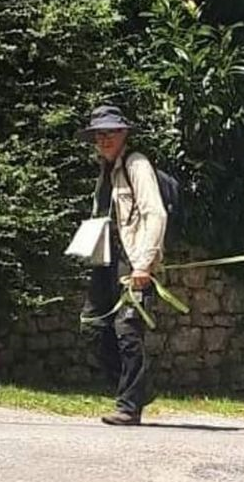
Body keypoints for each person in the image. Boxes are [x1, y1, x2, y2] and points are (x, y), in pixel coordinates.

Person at [76, 105, 167, 425]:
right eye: (99, 134)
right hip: (104, 263)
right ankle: (140, 387)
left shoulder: (136, 164)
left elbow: (155, 213)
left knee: (127, 330)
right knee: (93, 326)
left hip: (131, 261)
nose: (104, 139)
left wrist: (143, 265)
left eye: (110, 132)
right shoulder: (104, 169)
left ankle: (129, 406)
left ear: (124, 133)